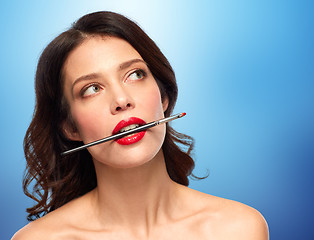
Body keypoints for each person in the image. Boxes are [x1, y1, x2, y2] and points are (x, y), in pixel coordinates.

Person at [12, 11, 268, 239]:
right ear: (70, 127)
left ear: (164, 96)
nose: (121, 100)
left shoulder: (239, 229)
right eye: (92, 89)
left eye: (135, 74)